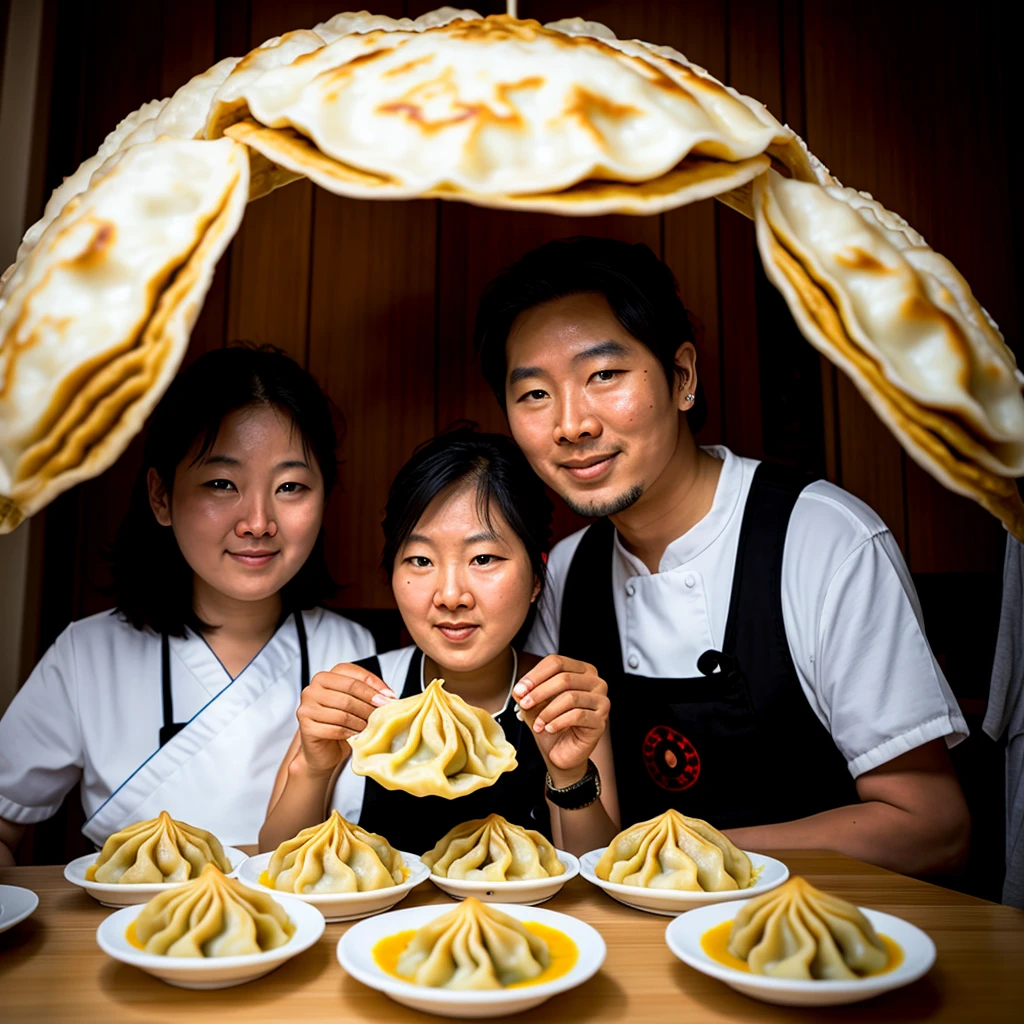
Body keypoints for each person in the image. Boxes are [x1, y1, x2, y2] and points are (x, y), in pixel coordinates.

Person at [473, 235, 972, 877]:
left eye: (604, 375)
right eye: (535, 394)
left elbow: (932, 827)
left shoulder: (823, 539)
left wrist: (688, 853)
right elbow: (580, 831)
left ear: (683, 376)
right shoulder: (566, 572)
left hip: (826, 947)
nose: (571, 424)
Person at [0, 346, 375, 864]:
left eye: (290, 486)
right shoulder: (87, 654)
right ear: (161, 497)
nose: (258, 522)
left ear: (324, 500)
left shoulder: (352, 651)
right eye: (222, 483)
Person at [260, 430, 618, 856]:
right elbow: (271, 862)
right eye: (421, 560)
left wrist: (570, 771)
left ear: (537, 578)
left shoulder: (561, 696)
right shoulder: (361, 692)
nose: (450, 595)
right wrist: (313, 767)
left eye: (483, 558)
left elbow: (597, 874)